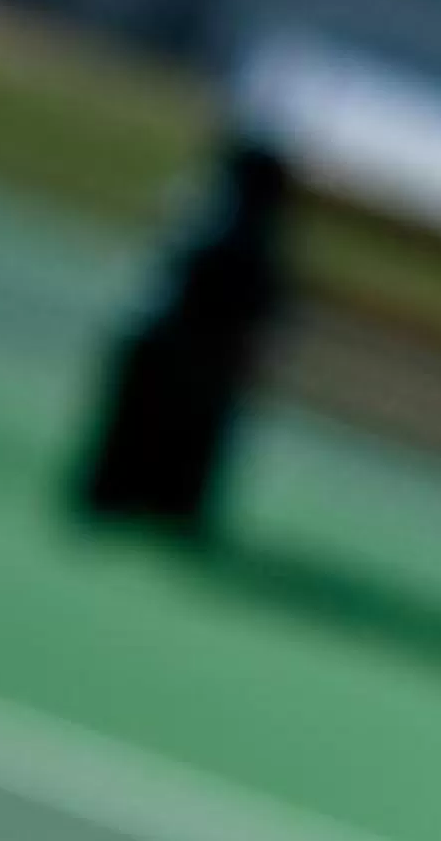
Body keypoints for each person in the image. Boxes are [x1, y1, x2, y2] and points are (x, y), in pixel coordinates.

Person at [75, 136, 292, 546]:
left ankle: (125, 497)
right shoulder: (244, 235)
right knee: (177, 422)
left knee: (157, 423)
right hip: (189, 359)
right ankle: (150, 502)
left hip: (173, 352)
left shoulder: (205, 218)